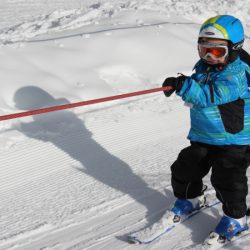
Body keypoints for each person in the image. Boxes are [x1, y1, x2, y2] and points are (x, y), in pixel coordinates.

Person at [162, 15, 250, 244]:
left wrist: (186, 87)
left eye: (217, 52)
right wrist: (179, 81)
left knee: (228, 178)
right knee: (185, 166)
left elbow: (209, 95)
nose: (210, 57)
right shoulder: (203, 66)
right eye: (204, 50)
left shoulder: (236, 74)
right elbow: (197, 85)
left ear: (234, 49)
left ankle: (236, 219)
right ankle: (190, 199)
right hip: (204, 135)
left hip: (234, 139)